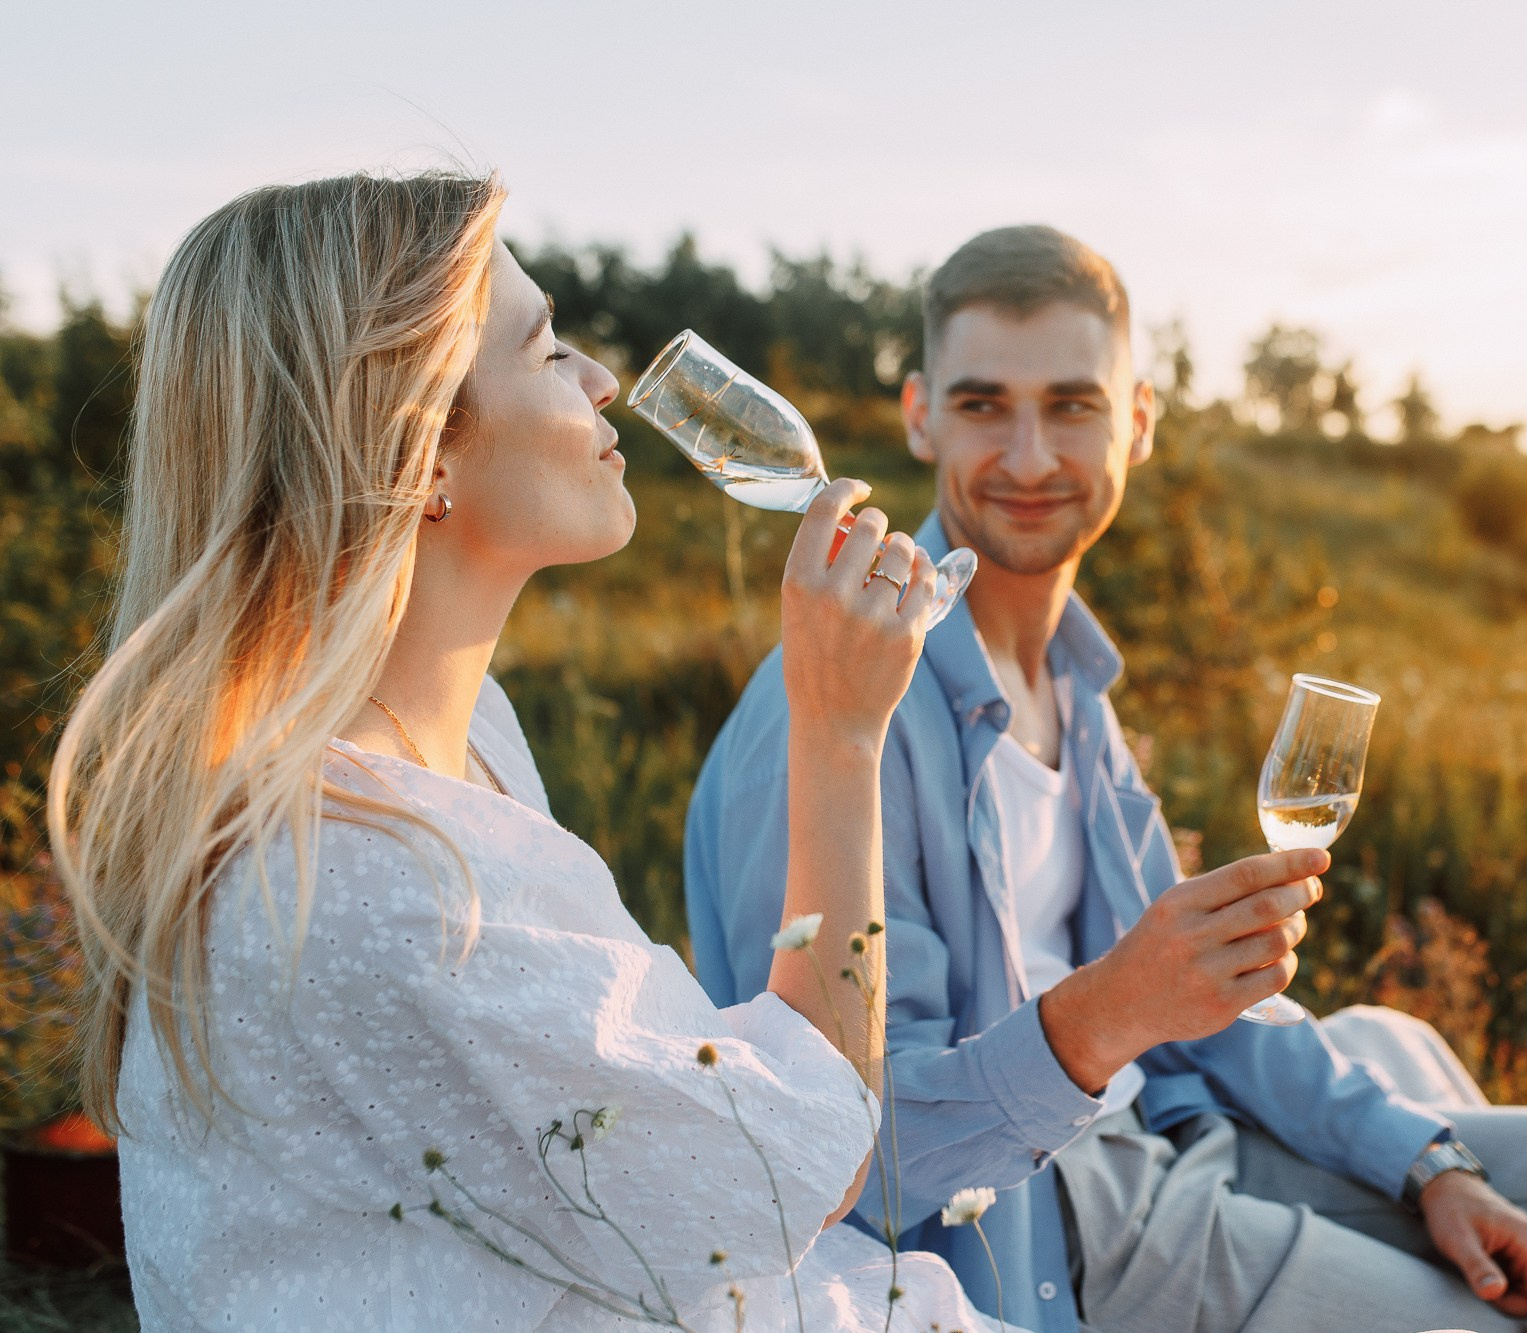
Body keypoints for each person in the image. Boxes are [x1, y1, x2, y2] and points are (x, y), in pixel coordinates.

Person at [684, 225, 1527, 1333]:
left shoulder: (1077, 683)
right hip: (1057, 1221)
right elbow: (839, 1154)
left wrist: (1425, 1162)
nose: (1028, 458)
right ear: (920, 415)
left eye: (1072, 406)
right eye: (984, 405)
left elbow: (1199, 1011)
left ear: (1136, 422)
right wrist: (1107, 1014)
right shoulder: (835, 712)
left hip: (1177, 1123)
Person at [49, 171, 1019, 1332]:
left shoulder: (454, 751)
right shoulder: (370, 876)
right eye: (548, 347)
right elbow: (798, 1169)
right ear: (420, 451)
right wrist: (840, 730)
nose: (602, 379)